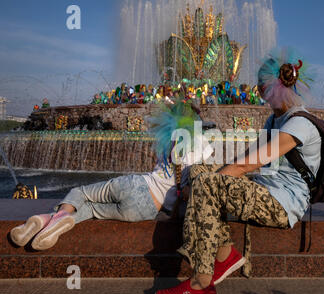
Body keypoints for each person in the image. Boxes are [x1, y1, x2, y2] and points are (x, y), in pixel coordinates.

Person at [155, 48, 321, 294]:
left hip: (283, 202)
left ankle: (201, 285)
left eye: (261, 87)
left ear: (273, 87)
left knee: (206, 183)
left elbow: (246, 166)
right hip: (265, 186)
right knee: (197, 170)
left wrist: (205, 183)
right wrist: (206, 176)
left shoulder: (300, 124)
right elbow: (244, 160)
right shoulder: (274, 120)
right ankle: (225, 255)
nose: (258, 92)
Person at [10, 107, 213, 251]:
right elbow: (208, 175)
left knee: (80, 193)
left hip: (136, 187)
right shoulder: (203, 143)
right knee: (90, 210)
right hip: (148, 210)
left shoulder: (168, 139)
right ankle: (51, 227)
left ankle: (47, 219)